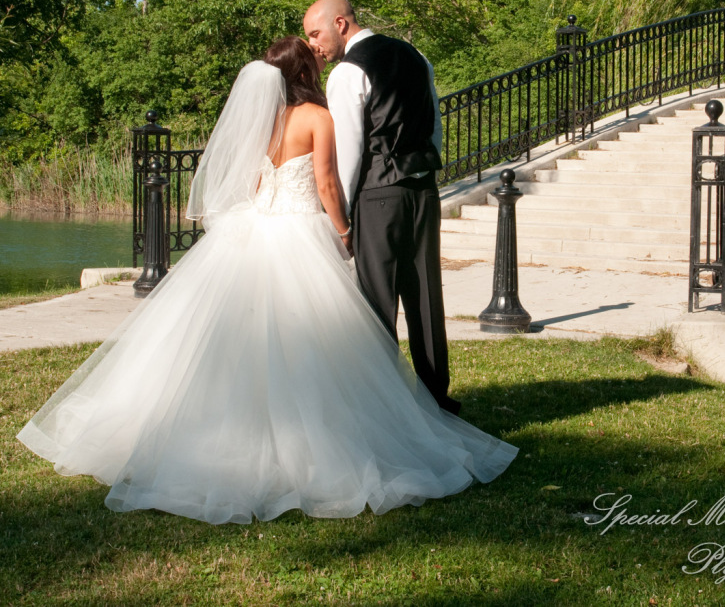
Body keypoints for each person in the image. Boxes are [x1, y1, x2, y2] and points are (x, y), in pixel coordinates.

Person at [16, 36, 516, 525]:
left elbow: (253, 181)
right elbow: (326, 182)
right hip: (299, 233)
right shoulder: (316, 117)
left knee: (231, 341)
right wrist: (343, 231)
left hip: (254, 229)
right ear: (305, 72)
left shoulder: (262, 120)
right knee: (320, 339)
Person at [303, 0, 459, 415]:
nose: (314, 44)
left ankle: (383, 408)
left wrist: (345, 216)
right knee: (425, 294)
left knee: (377, 302)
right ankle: (435, 398)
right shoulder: (415, 55)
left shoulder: (348, 72)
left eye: (315, 34)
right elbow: (434, 124)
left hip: (378, 196)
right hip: (423, 189)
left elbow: (350, 151)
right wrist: (426, 177)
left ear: (340, 23)